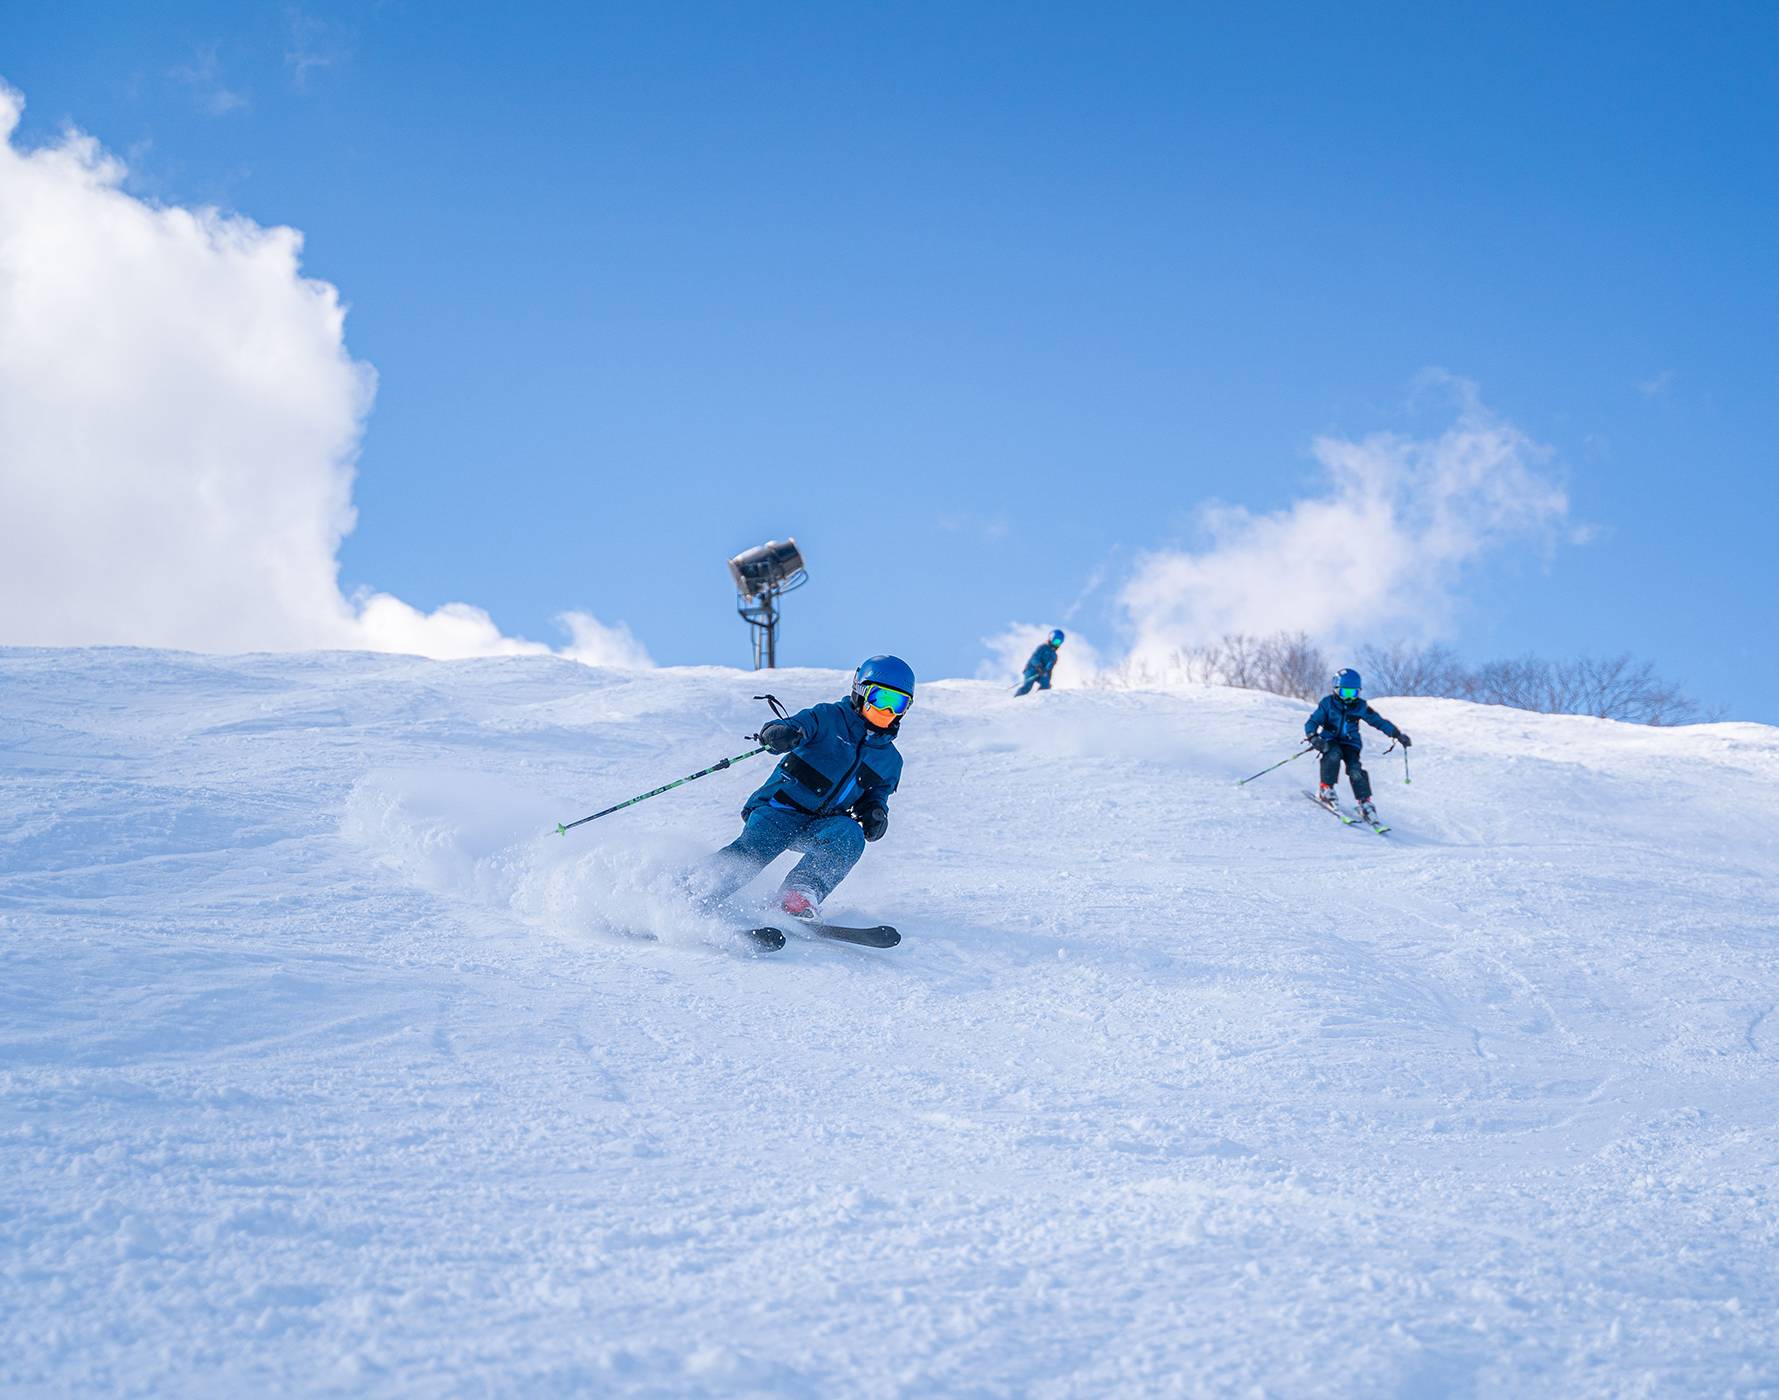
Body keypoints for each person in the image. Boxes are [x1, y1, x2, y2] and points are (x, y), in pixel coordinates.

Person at [692, 655, 912, 920]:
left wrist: (874, 810)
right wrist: (780, 734)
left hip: (823, 825)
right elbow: (794, 726)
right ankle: (695, 889)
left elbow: (877, 794)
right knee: (757, 848)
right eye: (881, 698)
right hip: (779, 809)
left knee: (849, 836)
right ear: (860, 691)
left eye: (897, 703)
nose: (887, 711)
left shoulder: (889, 760)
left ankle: (796, 896)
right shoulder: (827, 718)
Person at [1304, 668, 1411, 823]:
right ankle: (1325, 788)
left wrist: (1396, 734)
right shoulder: (1328, 703)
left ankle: (1364, 802)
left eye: (1353, 693)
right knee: (1332, 755)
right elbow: (1312, 722)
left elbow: (1378, 721)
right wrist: (1313, 737)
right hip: (1330, 740)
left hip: (1350, 743)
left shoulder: (1360, 706)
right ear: (1336, 690)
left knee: (1355, 770)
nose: (1349, 698)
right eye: (1345, 693)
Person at [1015, 629, 1065, 696]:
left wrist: (1048, 680)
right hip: (1032, 669)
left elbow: (1049, 669)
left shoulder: (1054, 656)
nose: (1056, 644)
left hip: (1042, 672)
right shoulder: (1043, 648)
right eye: (1055, 641)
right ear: (1050, 639)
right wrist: (1039, 666)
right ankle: (1017, 698)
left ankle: (1039, 700)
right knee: (1027, 686)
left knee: (1045, 686)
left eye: (1059, 642)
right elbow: (1035, 658)